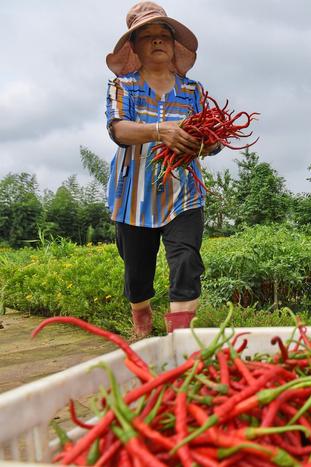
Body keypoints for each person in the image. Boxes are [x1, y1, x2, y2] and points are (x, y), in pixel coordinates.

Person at [105, 2, 221, 337]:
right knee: (137, 273)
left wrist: (206, 144)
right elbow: (119, 130)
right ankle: (141, 320)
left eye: (164, 36)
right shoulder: (122, 87)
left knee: (186, 262)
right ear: (135, 46)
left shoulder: (192, 91)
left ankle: (179, 341)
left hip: (183, 193)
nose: (158, 41)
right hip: (132, 195)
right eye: (148, 36)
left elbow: (210, 138)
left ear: (173, 46)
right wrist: (161, 131)